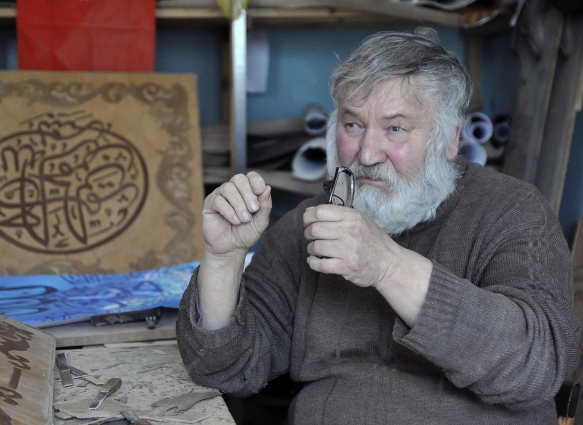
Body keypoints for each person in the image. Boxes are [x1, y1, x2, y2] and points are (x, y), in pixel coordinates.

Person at [176, 27, 580, 424]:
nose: (367, 153)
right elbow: (225, 367)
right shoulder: (309, 223)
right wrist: (224, 258)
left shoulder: (512, 210)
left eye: (395, 129)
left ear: (450, 139)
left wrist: (388, 266)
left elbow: (539, 365)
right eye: (353, 125)